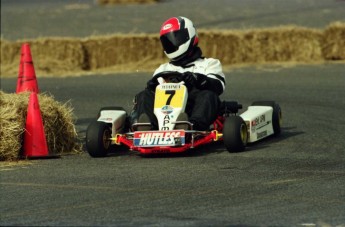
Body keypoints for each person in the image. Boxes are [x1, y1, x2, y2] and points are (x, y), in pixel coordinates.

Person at [130, 16, 226, 131]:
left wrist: (197, 79)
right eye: (168, 41)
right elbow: (152, 95)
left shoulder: (209, 63)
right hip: (164, 109)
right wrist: (152, 86)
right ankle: (147, 126)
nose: (172, 43)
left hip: (193, 108)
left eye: (175, 39)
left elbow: (218, 87)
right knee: (144, 95)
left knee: (209, 95)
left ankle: (190, 126)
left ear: (188, 35)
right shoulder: (163, 69)